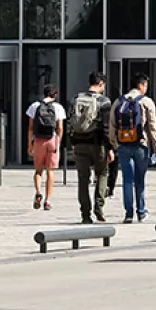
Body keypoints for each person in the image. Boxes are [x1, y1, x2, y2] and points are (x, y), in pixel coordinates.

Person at [109, 73, 156, 223]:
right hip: (141, 145)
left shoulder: (118, 101)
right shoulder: (146, 102)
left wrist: (115, 143)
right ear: (142, 85)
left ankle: (129, 213)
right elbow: (152, 126)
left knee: (127, 179)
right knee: (140, 179)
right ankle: (141, 211)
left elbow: (112, 125)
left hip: (123, 145)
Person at [69, 71, 114, 224]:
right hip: (98, 144)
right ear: (101, 83)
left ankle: (85, 214)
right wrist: (110, 148)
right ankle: (99, 207)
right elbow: (106, 127)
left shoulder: (76, 99)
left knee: (83, 179)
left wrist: (73, 143)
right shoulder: (104, 101)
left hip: (80, 143)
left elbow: (70, 122)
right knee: (102, 173)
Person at [26, 84, 66, 212]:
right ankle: (48, 201)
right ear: (55, 95)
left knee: (38, 171)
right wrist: (58, 141)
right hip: (52, 140)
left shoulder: (35, 106)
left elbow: (31, 128)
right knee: (50, 171)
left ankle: (38, 192)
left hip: (39, 140)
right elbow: (60, 128)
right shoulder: (58, 107)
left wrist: (30, 144)